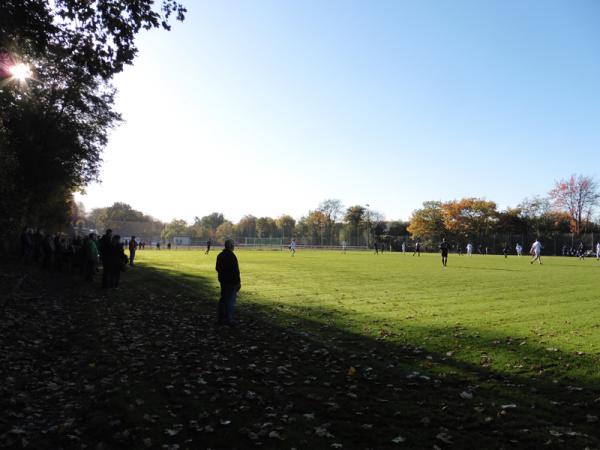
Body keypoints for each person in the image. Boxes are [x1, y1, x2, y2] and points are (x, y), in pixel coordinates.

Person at [215, 239, 241, 326]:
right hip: (231, 282)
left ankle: (221, 318)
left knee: (223, 300)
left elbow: (217, 268)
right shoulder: (232, 256)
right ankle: (229, 320)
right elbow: (235, 271)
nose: (234, 246)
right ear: (230, 246)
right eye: (233, 245)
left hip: (223, 281)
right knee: (230, 301)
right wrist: (238, 282)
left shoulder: (220, 255)